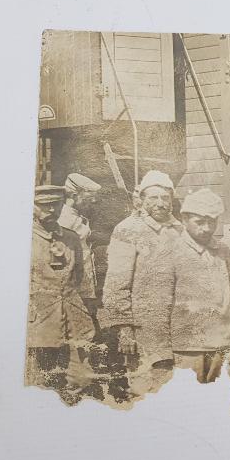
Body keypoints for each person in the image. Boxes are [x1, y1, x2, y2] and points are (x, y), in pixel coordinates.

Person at [100, 170, 182, 397]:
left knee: (174, 389)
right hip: (143, 328)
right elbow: (116, 283)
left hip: (177, 327)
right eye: (153, 198)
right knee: (145, 389)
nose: (160, 203)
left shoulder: (179, 230)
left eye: (165, 198)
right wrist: (125, 329)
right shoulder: (127, 230)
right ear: (142, 200)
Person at [157, 189, 230, 384]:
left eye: (212, 222)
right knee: (189, 405)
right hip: (187, 348)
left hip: (223, 343)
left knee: (222, 404)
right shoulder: (170, 250)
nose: (207, 228)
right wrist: (160, 350)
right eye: (200, 222)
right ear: (184, 219)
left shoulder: (223, 250)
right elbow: (160, 303)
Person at [26, 185, 96, 395]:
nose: (51, 211)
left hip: (74, 319)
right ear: (32, 207)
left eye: (56, 205)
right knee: (42, 382)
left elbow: (78, 276)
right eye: (44, 206)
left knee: (81, 380)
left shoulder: (70, 237)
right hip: (39, 323)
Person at [58, 173, 102, 313]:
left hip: (85, 279)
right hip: (75, 283)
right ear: (74, 196)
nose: (93, 201)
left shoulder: (77, 216)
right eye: (89, 198)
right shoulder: (64, 220)